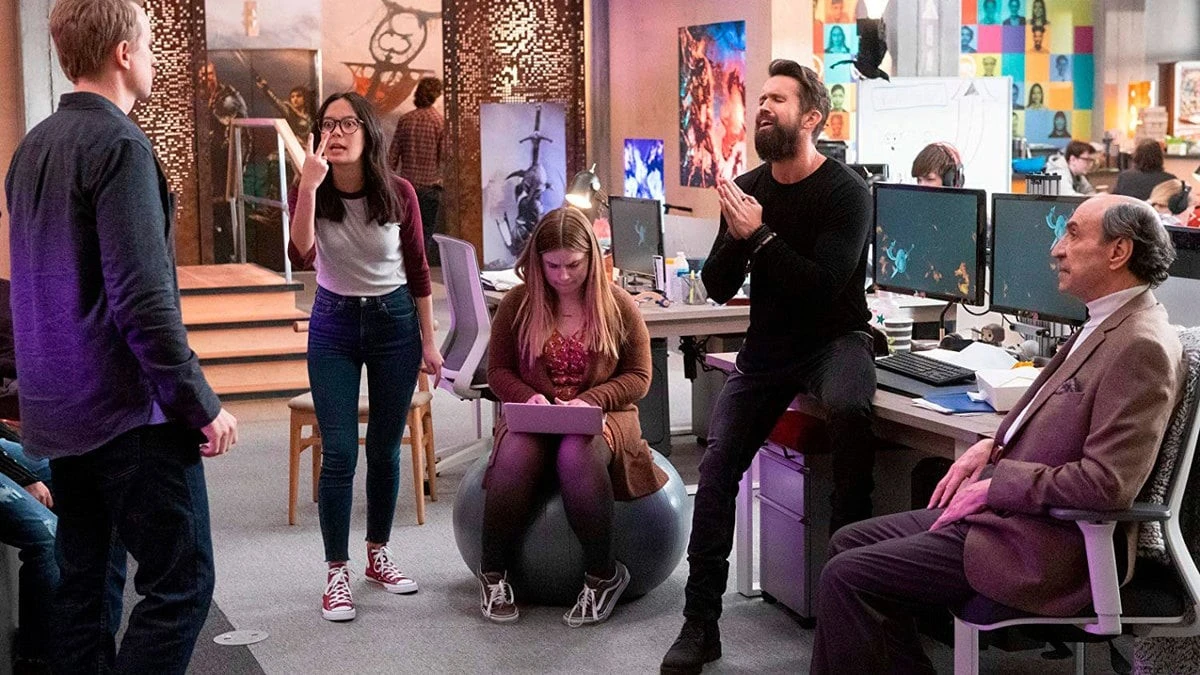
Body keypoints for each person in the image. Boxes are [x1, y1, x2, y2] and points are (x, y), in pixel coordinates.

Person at [810, 194, 1184, 674]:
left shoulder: (1140, 345)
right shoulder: (1107, 322)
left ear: (1119, 252)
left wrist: (995, 486)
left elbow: (1107, 484)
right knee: (847, 543)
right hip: (1012, 521)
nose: (1056, 248)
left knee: (849, 576)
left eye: (1072, 234)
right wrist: (992, 445)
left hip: (1044, 547)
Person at [4, 1, 239, 672]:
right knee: (182, 583)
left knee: (85, 591)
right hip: (127, 414)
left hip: (60, 411)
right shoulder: (121, 146)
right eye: (150, 43)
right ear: (124, 53)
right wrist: (200, 403)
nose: (155, 57)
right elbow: (143, 301)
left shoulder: (31, 149)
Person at [661, 59, 876, 674]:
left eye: (778, 100)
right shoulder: (748, 188)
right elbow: (716, 284)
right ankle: (700, 622)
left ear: (811, 118)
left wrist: (759, 236)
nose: (763, 107)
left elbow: (825, 286)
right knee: (717, 466)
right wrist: (738, 235)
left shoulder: (847, 193)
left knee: (852, 412)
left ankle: (846, 611)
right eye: (761, 98)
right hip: (770, 345)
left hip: (835, 337)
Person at [288, 91, 443, 622]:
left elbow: (419, 271)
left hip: (393, 322)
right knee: (339, 453)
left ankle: (379, 554)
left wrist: (428, 341)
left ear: (368, 132)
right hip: (333, 323)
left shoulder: (399, 192)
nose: (336, 133)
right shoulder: (310, 187)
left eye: (347, 123)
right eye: (327, 125)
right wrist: (309, 187)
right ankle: (337, 571)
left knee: (384, 448)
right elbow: (301, 251)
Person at [478, 206, 666, 626]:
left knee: (575, 453)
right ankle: (492, 574)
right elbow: (498, 372)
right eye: (553, 266)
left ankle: (603, 575)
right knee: (517, 454)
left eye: (574, 265)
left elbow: (639, 377)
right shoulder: (518, 304)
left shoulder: (618, 305)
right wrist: (529, 397)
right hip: (537, 413)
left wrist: (592, 399)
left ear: (591, 259)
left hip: (604, 413)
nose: (563, 276)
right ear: (537, 262)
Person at [388, 76, 446, 265]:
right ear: (436, 95)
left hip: (406, 187)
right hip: (430, 187)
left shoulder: (405, 120)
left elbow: (392, 156)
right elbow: (444, 158)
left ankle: (403, 268)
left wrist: (387, 182)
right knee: (426, 232)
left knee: (406, 230)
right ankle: (421, 268)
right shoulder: (439, 122)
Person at [1113, 139, 1180, 201]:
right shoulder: (1170, 181)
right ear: (1160, 156)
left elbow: (1115, 200)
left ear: (1136, 156)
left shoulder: (1124, 177)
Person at [256, 77, 315, 142]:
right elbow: (275, 100)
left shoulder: (310, 114)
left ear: (305, 98)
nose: (295, 99)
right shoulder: (289, 113)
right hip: (295, 144)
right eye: (292, 97)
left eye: (299, 96)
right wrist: (266, 89)